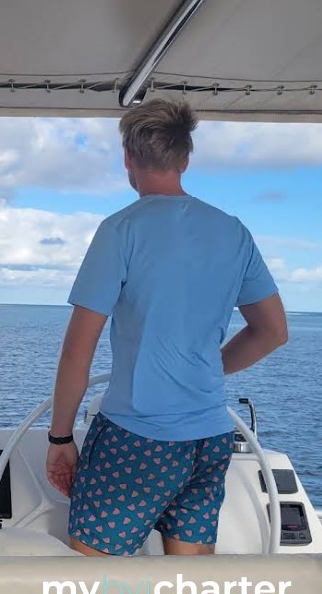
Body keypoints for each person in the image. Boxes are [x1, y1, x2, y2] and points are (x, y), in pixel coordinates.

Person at [46, 98, 288, 557]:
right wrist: (206, 369)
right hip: (210, 438)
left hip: (135, 440)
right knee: (191, 586)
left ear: (128, 158)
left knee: (94, 582)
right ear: (185, 159)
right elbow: (273, 332)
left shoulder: (120, 230)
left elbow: (78, 350)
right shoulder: (233, 231)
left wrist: (60, 438)